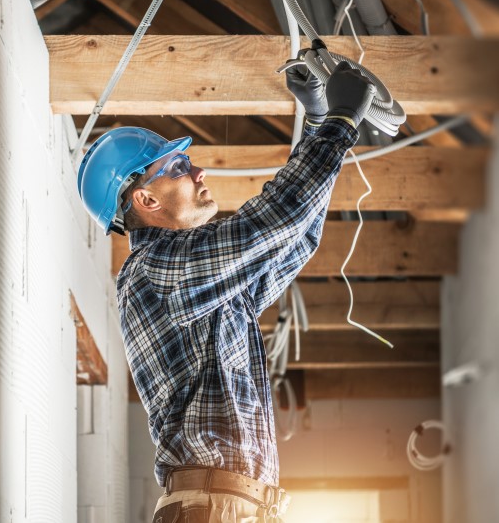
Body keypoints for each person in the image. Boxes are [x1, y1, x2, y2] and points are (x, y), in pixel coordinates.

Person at [77, 61, 377, 522]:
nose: (197, 171)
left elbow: (294, 237)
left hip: (228, 507)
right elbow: (273, 222)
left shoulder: (206, 284)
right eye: (178, 166)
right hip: (216, 508)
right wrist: (336, 125)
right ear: (146, 200)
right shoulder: (156, 270)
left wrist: (320, 125)